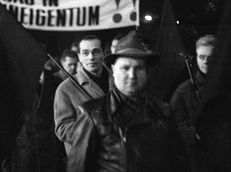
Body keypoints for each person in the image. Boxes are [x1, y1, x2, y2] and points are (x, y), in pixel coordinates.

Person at [60, 30, 189, 172]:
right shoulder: (91, 114)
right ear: (114, 70)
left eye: (138, 68)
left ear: (147, 72)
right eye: (125, 68)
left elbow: (179, 163)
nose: (132, 75)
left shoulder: (163, 111)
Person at [54, 35, 114, 167]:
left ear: (104, 53)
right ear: (80, 57)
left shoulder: (118, 81)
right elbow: (62, 129)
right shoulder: (65, 89)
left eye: (96, 51)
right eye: (85, 53)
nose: (91, 57)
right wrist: (93, 126)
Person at [170, 34, 216, 172]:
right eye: (201, 57)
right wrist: (195, 133)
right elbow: (175, 122)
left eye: (211, 57)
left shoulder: (225, 86)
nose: (206, 61)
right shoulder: (184, 90)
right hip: (196, 157)